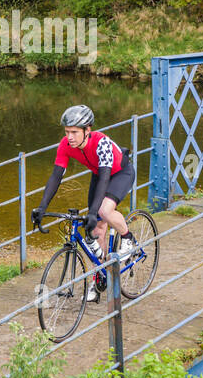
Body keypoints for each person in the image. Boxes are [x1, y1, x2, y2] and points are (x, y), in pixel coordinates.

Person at [31, 104, 137, 302]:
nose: (69, 137)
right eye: (67, 132)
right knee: (97, 231)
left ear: (87, 130)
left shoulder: (101, 143)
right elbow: (56, 176)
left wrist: (94, 211)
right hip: (99, 174)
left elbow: (106, 178)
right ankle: (102, 275)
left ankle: (128, 238)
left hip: (120, 173)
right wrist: (42, 207)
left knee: (104, 212)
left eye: (74, 132)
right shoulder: (65, 145)